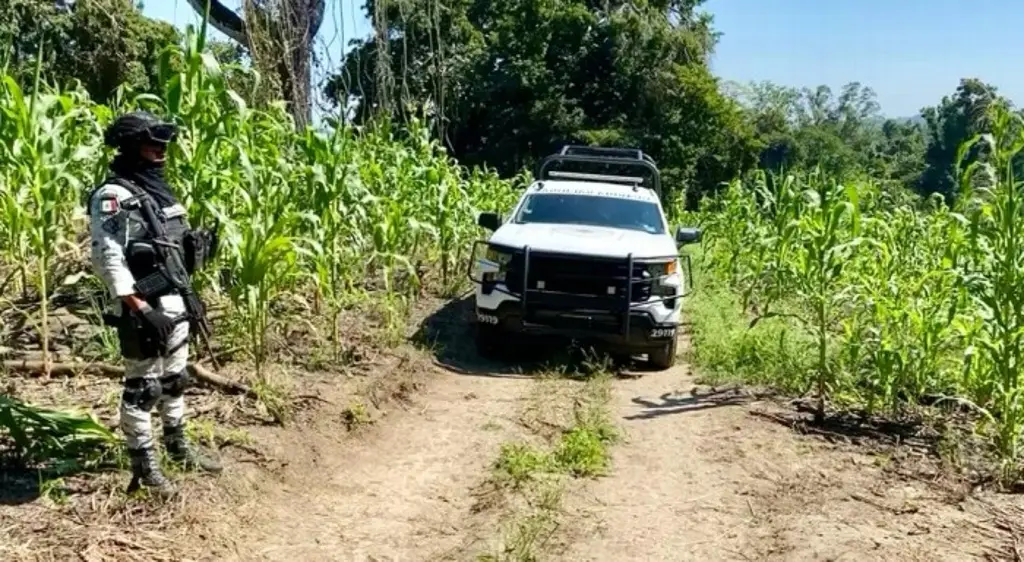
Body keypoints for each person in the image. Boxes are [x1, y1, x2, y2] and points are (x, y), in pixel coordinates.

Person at [87, 111, 222, 497]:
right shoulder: (113, 196)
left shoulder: (158, 193)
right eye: (151, 144)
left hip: (176, 300)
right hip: (142, 307)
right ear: (131, 147)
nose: (160, 150)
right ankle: (145, 468)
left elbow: (171, 251)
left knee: (175, 380)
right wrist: (141, 308)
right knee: (143, 388)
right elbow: (107, 258)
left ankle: (178, 446)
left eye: (163, 144)